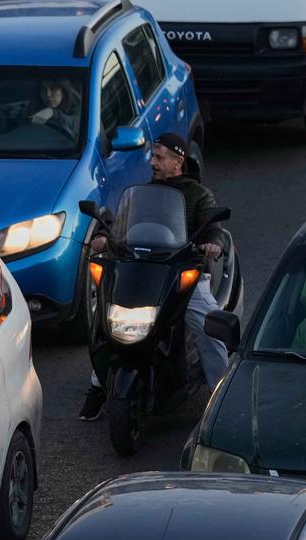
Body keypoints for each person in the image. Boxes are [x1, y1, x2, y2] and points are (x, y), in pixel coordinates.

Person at [79, 133, 229, 421]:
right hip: (140, 271)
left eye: (160, 157)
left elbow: (213, 226)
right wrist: (102, 235)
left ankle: (222, 399)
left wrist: (214, 243)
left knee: (210, 328)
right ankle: (98, 387)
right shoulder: (143, 193)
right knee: (106, 323)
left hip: (182, 275)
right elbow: (118, 224)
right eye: (153, 156)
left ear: (178, 162)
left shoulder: (198, 195)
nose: (153, 162)